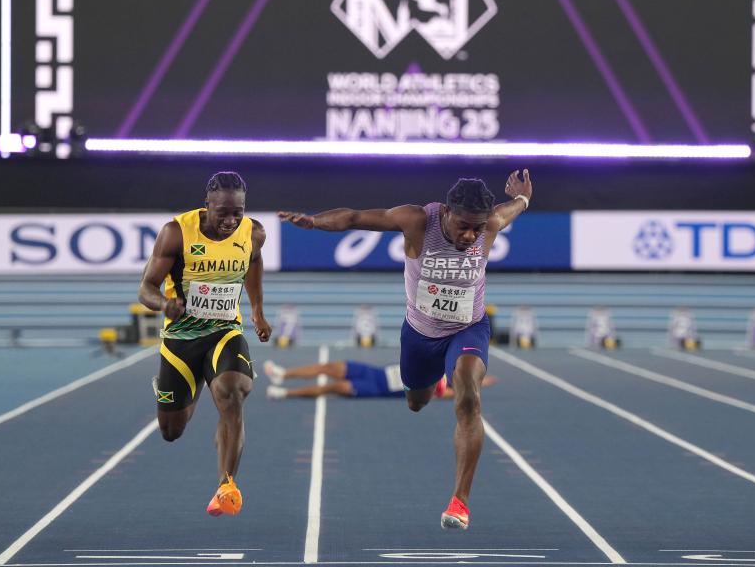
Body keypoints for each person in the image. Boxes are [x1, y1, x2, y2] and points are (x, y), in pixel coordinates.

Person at [279, 169, 533, 531]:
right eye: (464, 226)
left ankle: (460, 501)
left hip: (468, 329)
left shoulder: (488, 224)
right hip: (419, 335)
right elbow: (354, 217)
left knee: (468, 397)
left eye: (477, 228)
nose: (470, 235)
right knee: (416, 401)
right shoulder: (417, 220)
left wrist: (523, 199)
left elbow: (511, 210)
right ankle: (430, 384)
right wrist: (314, 222)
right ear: (446, 211)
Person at [138, 171, 272, 517]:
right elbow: (146, 287)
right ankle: (190, 384)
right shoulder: (176, 233)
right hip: (182, 339)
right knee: (171, 430)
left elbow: (253, 264)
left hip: (225, 331)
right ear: (206, 204)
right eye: (222, 212)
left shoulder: (253, 232)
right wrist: (164, 304)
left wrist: (256, 311)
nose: (230, 221)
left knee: (233, 392)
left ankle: (226, 486)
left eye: (237, 212)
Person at [262, 358, 497, 399]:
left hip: (375, 387)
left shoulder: (437, 388)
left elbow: (453, 394)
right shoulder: (439, 364)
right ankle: (283, 374)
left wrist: (478, 384)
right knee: (328, 367)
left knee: (333, 387)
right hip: (374, 372)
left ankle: (284, 393)